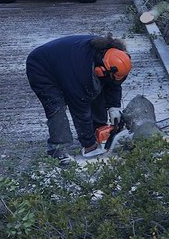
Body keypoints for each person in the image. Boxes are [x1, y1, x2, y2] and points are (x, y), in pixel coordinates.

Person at [26, 34, 132, 162]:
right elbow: (80, 111)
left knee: (96, 89)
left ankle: (97, 131)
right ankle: (58, 149)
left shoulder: (114, 56)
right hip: (41, 67)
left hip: (65, 61)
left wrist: (114, 105)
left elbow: (113, 83)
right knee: (56, 107)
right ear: (100, 68)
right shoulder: (81, 72)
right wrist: (89, 144)